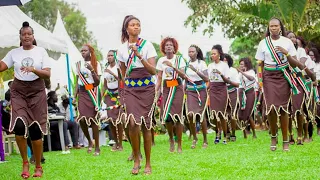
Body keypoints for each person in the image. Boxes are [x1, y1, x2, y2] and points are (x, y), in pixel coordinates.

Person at [0, 21, 51, 178]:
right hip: (19, 92)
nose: (26, 36)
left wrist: (33, 69)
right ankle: (25, 162)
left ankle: (38, 165)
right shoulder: (14, 53)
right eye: (24, 34)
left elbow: (47, 74)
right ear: (20, 37)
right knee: (19, 126)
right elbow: (1, 66)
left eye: (29, 34)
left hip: (37, 92)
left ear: (33, 36)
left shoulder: (41, 51)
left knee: (36, 129)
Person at [255, 17, 306, 151]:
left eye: (276, 26)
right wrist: (259, 79)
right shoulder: (263, 43)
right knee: (271, 108)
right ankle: (273, 136)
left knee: (284, 109)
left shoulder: (287, 42)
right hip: (268, 77)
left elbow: (294, 63)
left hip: (283, 76)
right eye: (271, 26)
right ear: (268, 28)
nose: (273, 28)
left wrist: (287, 53)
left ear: (280, 27)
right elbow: (259, 63)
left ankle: (285, 141)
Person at [117, 15, 157, 175]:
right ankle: (136, 159)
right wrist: (124, 90)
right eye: (133, 25)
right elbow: (123, 72)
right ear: (127, 29)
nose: (136, 27)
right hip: (131, 90)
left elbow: (153, 70)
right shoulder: (121, 49)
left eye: (138, 25)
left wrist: (139, 55)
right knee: (132, 123)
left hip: (147, 87)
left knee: (146, 125)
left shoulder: (147, 46)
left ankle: (148, 162)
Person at [156, 37, 186, 153]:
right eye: (166, 45)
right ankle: (171, 140)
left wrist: (172, 66)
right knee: (167, 118)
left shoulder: (179, 59)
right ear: (164, 48)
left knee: (178, 117)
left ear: (174, 48)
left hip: (177, 88)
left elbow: (183, 76)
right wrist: (156, 91)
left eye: (171, 45)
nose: (168, 46)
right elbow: (159, 78)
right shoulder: (160, 60)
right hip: (166, 88)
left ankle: (179, 144)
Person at [73, 44, 102, 156]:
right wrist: (75, 96)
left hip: (93, 92)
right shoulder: (79, 64)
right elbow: (77, 81)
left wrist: (92, 70)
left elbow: (97, 82)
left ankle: (97, 147)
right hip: (83, 93)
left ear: (90, 52)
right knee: (82, 119)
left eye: (85, 50)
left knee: (94, 119)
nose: (83, 52)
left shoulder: (96, 64)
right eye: (82, 51)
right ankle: (90, 141)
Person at [185, 44, 209, 148]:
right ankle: (194, 138)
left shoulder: (202, 63)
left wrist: (195, 70)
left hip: (201, 89)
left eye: (192, 51)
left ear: (197, 52)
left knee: (200, 115)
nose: (190, 53)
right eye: (189, 51)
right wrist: (184, 88)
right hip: (190, 90)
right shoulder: (186, 64)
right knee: (190, 115)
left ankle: (205, 140)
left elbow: (206, 78)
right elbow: (185, 78)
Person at [208, 44, 230, 144]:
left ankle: (225, 136)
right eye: (211, 54)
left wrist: (220, 74)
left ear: (219, 54)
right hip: (213, 89)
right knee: (214, 114)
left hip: (222, 88)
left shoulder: (224, 65)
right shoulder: (210, 66)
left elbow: (227, 80)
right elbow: (209, 80)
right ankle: (217, 134)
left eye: (214, 54)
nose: (212, 55)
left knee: (221, 114)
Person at [102, 50, 123, 151]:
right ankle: (115, 142)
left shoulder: (118, 67)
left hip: (118, 94)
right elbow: (105, 85)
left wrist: (111, 73)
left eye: (111, 55)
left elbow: (121, 80)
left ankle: (120, 143)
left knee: (118, 120)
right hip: (109, 95)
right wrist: (102, 97)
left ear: (115, 57)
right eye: (108, 55)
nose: (109, 57)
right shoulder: (106, 69)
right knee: (110, 119)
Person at [237, 57, 257, 139]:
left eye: (242, 64)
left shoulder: (251, 71)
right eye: (240, 64)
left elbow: (252, 79)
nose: (240, 66)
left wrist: (242, 72)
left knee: (248, 114)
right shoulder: (239, 73)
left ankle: (254, 133)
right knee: (241, 114)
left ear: (246, 64)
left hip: (250, 93)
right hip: (241, 93)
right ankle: (244, 133)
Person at [223, 54, 240, 141]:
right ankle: (227, 133)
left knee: (233, 115)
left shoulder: (233, 70)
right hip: (222, 93)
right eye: (223, 60)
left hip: (232, 92)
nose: (224, 61)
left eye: (226, 60)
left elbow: (237, 84)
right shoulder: (219, 70)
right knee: (224, 115)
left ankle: (233, 134)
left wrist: (228, 80)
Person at [310, 47, 320, 136]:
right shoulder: (308, 64)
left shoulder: (318, 64)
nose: (310, 57)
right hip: (311, 87)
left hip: (319, 87)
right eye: (309, 55)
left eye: (312, 55)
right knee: (314, 107)